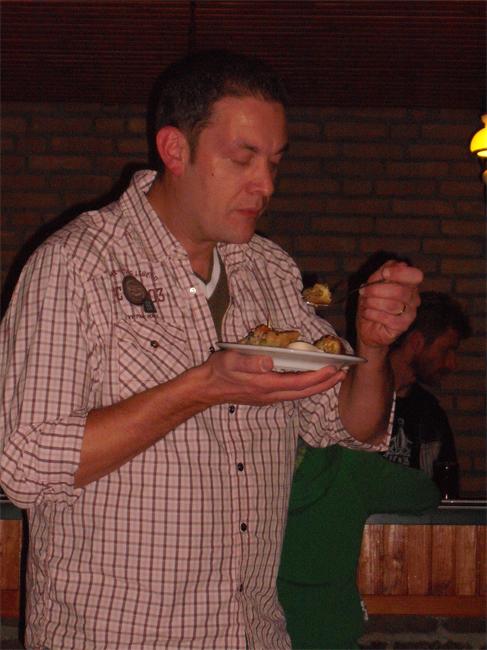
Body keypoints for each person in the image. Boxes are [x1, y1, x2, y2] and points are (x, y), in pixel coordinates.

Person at [0, 50, 422, 649]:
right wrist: (202, 387)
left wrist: (374, 348)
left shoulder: (269, 270)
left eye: (274, 162)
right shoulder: (75, 265)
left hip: (253, 634)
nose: (265, 185)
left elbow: (347, 426)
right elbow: (25, 466)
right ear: (175, 150)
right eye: (242, 159)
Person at [277, 441, 441, 649]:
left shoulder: (247, 467)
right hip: (334, 636)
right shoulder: (349, 460)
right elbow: (425, 493)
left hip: (261, 634)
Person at [346, 251, 471, 481]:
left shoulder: (430, 414)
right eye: (447, 350)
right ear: (416, 343)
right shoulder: (352, 395)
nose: (452, 364)